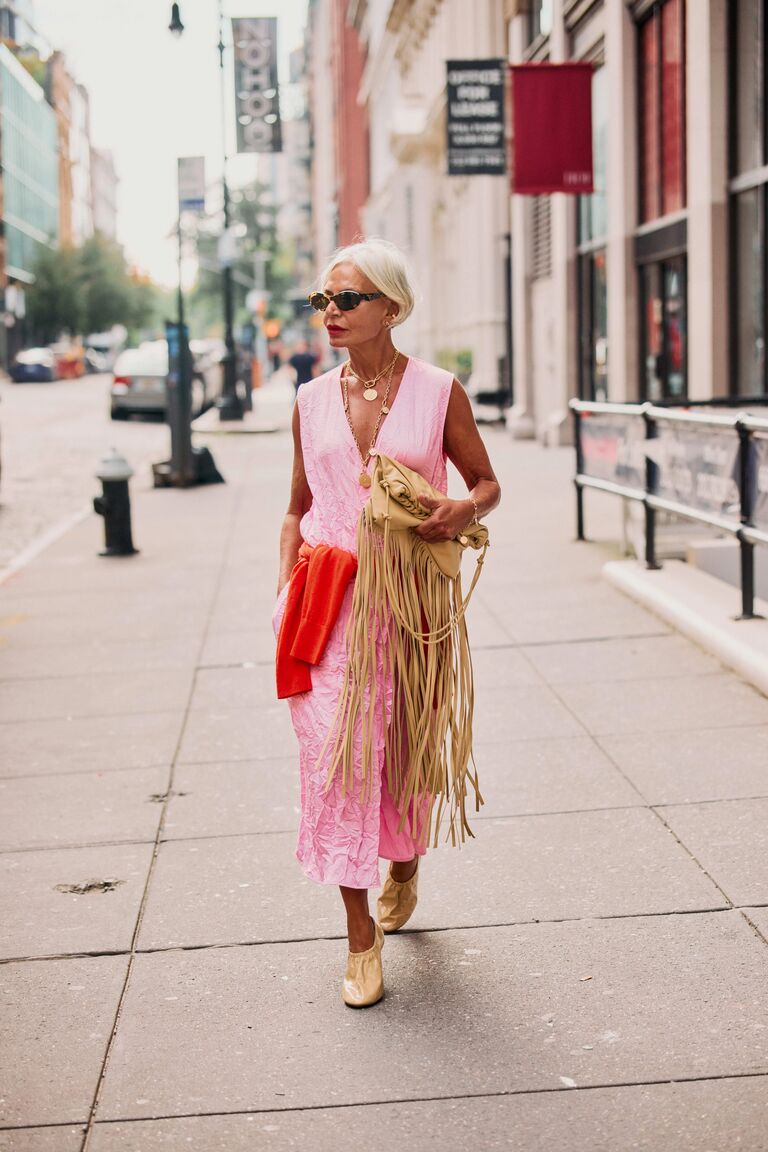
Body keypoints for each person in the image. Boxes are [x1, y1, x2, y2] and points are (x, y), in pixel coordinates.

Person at [273, 237, 500, 1008]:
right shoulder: (307, 401)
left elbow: (486, 482)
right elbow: (297, 509)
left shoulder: (439, 392)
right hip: (328, 605)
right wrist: (282, 596)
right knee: (336, 763)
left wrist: (462, 506)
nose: (329, 313)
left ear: (391, 309)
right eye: (323, 301)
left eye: (347, 300)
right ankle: (359, 936)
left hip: (411, 606)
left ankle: (403, 859)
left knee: (403, 749)